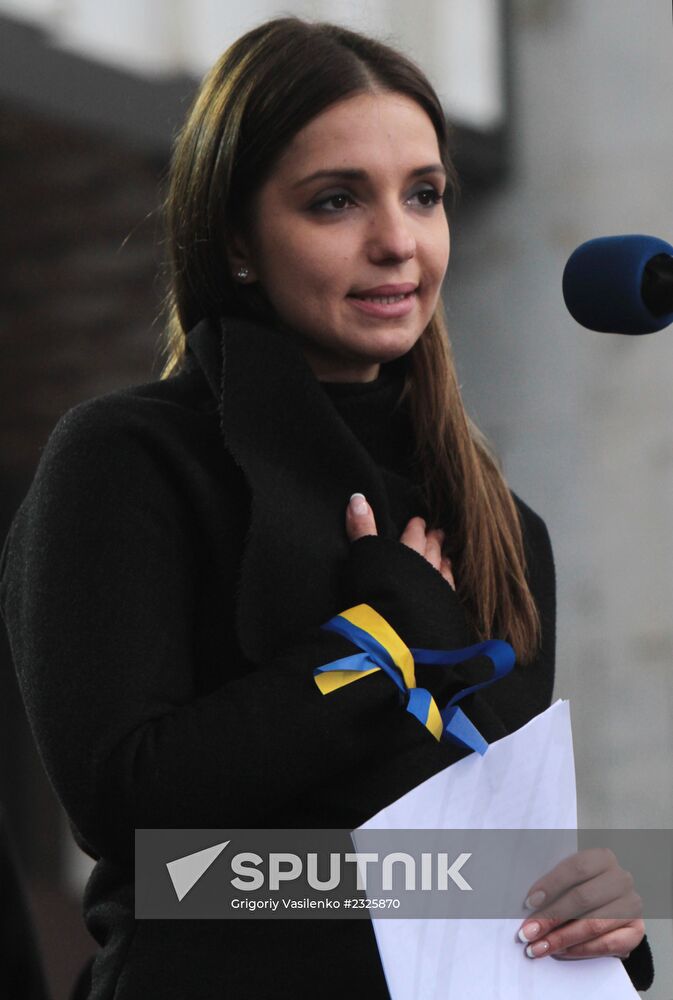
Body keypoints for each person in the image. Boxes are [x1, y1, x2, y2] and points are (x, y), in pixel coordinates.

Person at [0, 16, 653, 999]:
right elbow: (142, 832)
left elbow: (461, 870)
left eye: (423, 195)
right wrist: (374, 652)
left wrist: (584, 914)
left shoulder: (500, 528)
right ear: (237, 237)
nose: (397, 239)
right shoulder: (129, 460)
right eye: (336, 200)